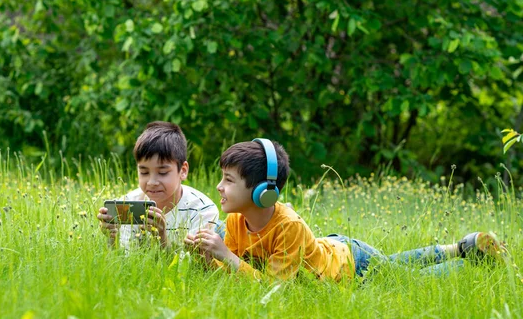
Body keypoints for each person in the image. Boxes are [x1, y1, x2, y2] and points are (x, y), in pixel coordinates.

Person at [184, 138, 509, 281]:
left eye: (228, 180)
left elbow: (274, 289)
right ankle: (463, 246)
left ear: (263, 193)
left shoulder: (288, 226)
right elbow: (239, 272)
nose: (219, 187)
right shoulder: (237, 221)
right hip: (333, 247)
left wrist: (225, 255)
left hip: (352, 263)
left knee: (409, 279)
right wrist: (208, 257)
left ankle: (473, 266)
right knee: (396, 267)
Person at [97, 121, 219, 249]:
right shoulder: (130, 204)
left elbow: (192, 266)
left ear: (183, 171)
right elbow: (125, 261)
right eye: (144, 172)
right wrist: (112, 237)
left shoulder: (202, 211)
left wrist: (161, 237)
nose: (152, 182)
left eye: (162, 172)